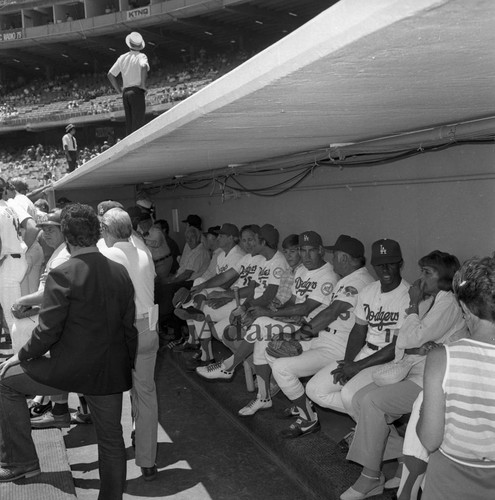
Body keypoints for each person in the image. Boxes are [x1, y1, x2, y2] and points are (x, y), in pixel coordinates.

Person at [0, 204, 137, 500]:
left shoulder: (63, 274)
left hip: (69, 372)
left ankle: (22, 462)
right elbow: (129, 330)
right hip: (110, 372)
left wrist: (20, 356)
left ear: (67, 237)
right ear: (97, 233)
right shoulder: (120, 273)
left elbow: (47, 332)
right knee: (112, 440)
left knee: (4, 381)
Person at [341, 250, 466, 500]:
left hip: (432, 380)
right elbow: (404, 342)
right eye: (422, 271)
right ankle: (401, 460)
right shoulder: (429, 300)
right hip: (415, 370)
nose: (421, 278)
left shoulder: (447, 302)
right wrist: (415, 339)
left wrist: (411, 308)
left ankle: (370, 477)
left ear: (445, 278)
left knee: (373, 402)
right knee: (358, 399)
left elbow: (409, 337)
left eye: (428, 272)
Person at [268, 235, 374, 437]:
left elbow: (331, 313)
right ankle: (302, 406)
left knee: (297, 378)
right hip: (323, 338)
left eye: (335, 255)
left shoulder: (358, 281)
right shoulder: (349, 278)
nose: (332, 259)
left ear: (344, 258)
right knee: (273, 351)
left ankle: (369, 417)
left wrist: (296, 336)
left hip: (337, 345)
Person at [417, 256, 495, 500]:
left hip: (449, 479)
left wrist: (421, 417)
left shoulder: (442, 358)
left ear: (465, 309)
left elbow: (430, 440)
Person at [306, 239, 410, 418]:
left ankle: (369, 428)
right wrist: (348, 362)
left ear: (400, 264)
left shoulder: (408, 296)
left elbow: (397, 346)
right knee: (315, 389)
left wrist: (357, 367)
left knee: (349, 395)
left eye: (390, 264)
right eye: (379, 265)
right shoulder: (368, 291)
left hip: (389, 361)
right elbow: (358, 330)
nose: (385, 270)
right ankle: (374, 421)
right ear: (373, 265)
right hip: (365, 353)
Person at [100, 208, 159, 481]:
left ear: (109, 231)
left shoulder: (109, 254)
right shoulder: (144, 252)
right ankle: (147, 461)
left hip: (124, 332)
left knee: (110, 394)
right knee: (145, 392)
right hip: (149, 327)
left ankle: (113, 458)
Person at [108, 32, 149, 136]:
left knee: (129, 122)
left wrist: (119, 90)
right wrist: (143, 85)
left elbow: (110, 74)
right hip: (136, 90)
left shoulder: (122, 57)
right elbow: (144, 67)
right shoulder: (141, 56)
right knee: (138, 121)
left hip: (125, 92)